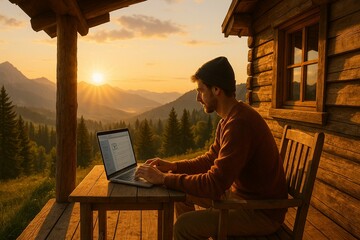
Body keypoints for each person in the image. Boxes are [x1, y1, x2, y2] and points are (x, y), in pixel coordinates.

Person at [135, 56, 288, 239]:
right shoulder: (229, 119)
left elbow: (214, 184)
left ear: (216, 90)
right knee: (180, 192)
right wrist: (173, 167)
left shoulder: (240, 124)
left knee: (184, 226)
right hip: (240, 199)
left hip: (259, 212)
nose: (198, 97)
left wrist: (164, 179)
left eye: (201, 90)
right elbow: (209, 160)